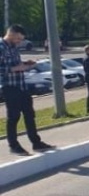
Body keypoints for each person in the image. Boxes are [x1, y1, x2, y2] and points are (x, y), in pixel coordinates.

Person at [0, 25, 55, 156]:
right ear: (11, 34)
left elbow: (14, 63)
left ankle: (36, 143)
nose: (19, 42)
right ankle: (13, 145)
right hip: (10, 86)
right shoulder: (1, 47)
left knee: (29, 114)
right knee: (13, 116)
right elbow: (4, 68)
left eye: (21, 39)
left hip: (21, 85)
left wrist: (26, 64)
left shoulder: (13, 47)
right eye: (18, 38)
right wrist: (16, 68)